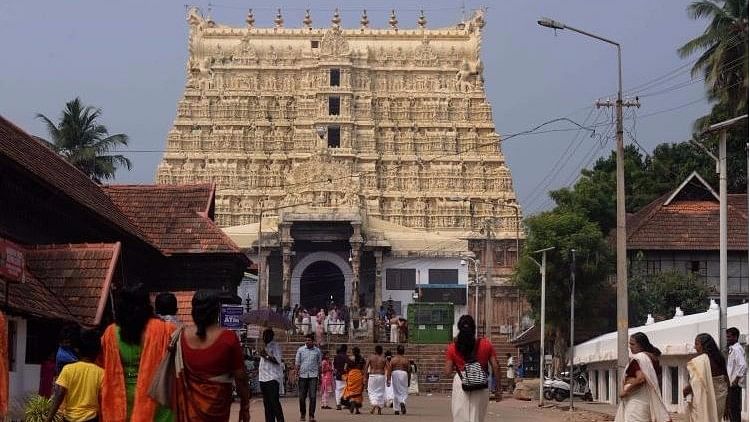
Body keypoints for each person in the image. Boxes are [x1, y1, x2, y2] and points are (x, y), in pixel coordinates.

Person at [100, 284, 174, 422]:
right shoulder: (165, 330)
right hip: (156, 401)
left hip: (121, 401)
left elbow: (104, 365)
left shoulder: (110, 333)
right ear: (146, 304)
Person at [176, 290, 250, 422]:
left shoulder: (181, 337)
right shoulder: (229, 338)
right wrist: (245, 406)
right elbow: (241, 378)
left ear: (194, 311)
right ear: (217, 311)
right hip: (218, 409)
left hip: (188, 411)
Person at [444, 315, 501, 422]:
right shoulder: (486, 344)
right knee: (477, 417)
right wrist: (498, 389)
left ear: (459, 329)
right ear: (474, 329)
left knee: (460, 416)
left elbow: (447, 372)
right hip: (481, 382)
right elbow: (496, 367)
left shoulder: (452, 347)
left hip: (461, 382)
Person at [46, 329, 103, 422]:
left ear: (78, 350)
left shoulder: (68, 369)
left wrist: (49, 419)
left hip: (69, 418)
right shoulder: (101, 373)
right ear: (97, 352)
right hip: (91, 418)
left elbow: (60, 394)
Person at [615, 332, 671, 422]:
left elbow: (641, 379)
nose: (630, 347)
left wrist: (626, 391)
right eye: (629, 344)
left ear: (641, 345)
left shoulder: (639, 358)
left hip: (636, 401)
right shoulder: (653, 358)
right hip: (646, 400)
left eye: (632, 344)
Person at [683, 333, 729, 422]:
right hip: (721, 399)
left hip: (706, 400)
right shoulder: (719, 358)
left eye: (697, 344)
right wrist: (727, 405)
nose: (695, 347)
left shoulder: (700, 361)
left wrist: (685, 391)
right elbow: (727, 381)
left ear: (704, 345)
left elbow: (696, 384)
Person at [259, 328, 285, 422]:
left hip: (272, 378)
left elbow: (278, 360)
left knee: (274, 403)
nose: (264, 337)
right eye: (263, 335)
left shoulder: (276, 346)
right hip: (263, 378)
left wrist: (265, 355)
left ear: (271, 336)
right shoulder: (264, 347)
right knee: (267, 404)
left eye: (266, 335)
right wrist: (263, 353)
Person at [295, 333, 322, 422]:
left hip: (313, 376)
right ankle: (303, 414)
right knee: (302, 397)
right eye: (306, 340)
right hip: (302, 376)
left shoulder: (317, 351)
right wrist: (296, 374)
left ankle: (311, 416)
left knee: (313, 396)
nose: (307, 341)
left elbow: (319, 364)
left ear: (313, 341)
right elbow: (297, 363)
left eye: (309, 340)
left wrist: (320, 377)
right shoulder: (300, 350)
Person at [726, 327, 746, 422]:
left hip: (735, 385)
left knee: (734, 410)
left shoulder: (737, 349)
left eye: (729, 337)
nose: (727, 339)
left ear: (735, 337)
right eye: (727, 337)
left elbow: (743, 365)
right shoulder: (733, 349)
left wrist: (736, 379)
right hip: (732, 385)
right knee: (732, 409)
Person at [387, 345, 411, 415]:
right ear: (403, 351)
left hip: (395, 373)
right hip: (404, 373)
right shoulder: (406, 360)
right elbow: (409, 371)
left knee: (395, 391)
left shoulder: (393, 359)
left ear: (397, 351)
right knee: (403, 390)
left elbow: (389, 370)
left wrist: (388, 379)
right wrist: (409, 381)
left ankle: (396, 409)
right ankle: (402, 402)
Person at [342, 347, 366, 414]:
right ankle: (357, 410)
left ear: (353, 352)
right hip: (359, 375)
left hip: (351, 375)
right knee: (358, 392)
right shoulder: (362, 359)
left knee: (351, 391)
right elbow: (364, 369)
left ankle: (352, 401)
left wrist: (348, 374)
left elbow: (345, 368)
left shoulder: (350, 358)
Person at [366, 345, 387, 415]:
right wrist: (389, 378)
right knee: (381, 392)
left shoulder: (371, 357)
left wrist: (365, 377)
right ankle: (379, 410)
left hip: (372, 375)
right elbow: (389, 368)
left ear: (375, 350)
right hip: (381, 376)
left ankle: (374, 404)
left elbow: (366, 367)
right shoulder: (384, 359)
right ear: (381, 351)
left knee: (371, 391)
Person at [333, 345, 349, 410]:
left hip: (338, 375)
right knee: (345, 389)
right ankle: (345, 403)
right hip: (345, 375)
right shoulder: (346, 357)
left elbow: (335, 366)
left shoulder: (336, 357)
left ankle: (338, 404)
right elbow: (348, 365)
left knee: (338, 390)